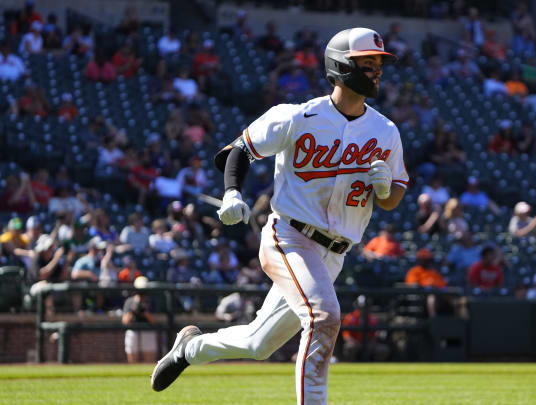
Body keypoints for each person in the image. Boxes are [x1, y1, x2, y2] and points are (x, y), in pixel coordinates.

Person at [151, 28, 408, 405]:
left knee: (259, 343)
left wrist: (386, 190)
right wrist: (232, 191)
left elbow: (393, 199)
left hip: (334, 254)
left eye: (379, 64)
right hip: (290, 237)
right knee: (324, 318)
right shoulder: (298, 116)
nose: (376, 71)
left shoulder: (385, 131)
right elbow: (237, 150)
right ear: (341, 66)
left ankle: (190, 348)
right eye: (367, 64)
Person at [123, 276, 157, 363]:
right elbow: (125, 321)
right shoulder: (129, 301)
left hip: (147, 330)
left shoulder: (151, 301)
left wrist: (145, 312)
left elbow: (154, 321)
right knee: (132, 361)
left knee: (149, 361)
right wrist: (133, 309)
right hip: (133, 330)